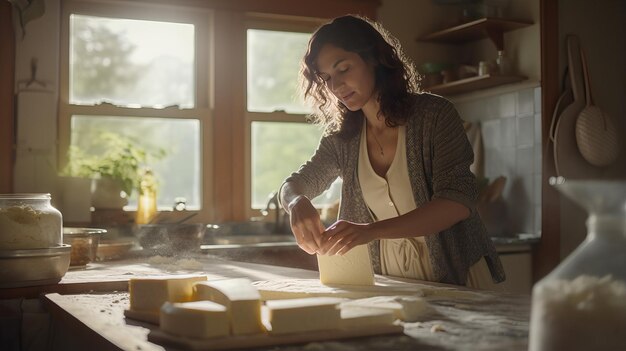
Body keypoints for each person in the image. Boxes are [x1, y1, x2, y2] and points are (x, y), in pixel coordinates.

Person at [278, 15, 505, 288]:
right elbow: (294, 184)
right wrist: (296, 202)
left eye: (344, 69)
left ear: (373, 58)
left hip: (457, 277)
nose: (336, 87)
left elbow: (457, 202)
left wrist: (369, 232)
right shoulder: (343, 139)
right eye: (326, 78)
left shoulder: (434, 116)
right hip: (393, 282)